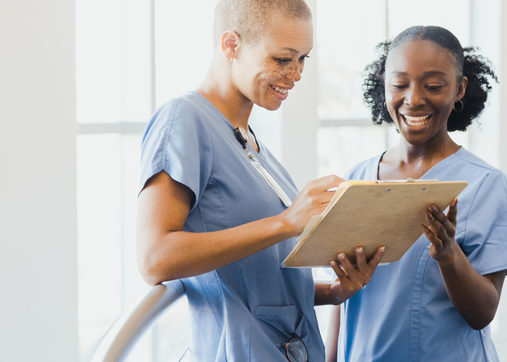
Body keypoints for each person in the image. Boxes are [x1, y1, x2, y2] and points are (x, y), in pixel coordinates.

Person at [135, 0, 384, 360]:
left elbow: (257, 279)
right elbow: (154, 258)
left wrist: (333, 292)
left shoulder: (250, 143)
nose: (296, 74)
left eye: (303, 59)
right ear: (231, 45)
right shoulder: (185, 120)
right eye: (282, 59)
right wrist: (286, 221)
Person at [325, 25, 507, 362]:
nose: (414, 98)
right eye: (400, 84)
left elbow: (482, 313)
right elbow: (342, 297)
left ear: (459, 89)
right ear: (385, 86)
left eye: (434, 86)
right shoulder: (357, 179)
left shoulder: (484, 185)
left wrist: (449, 254)